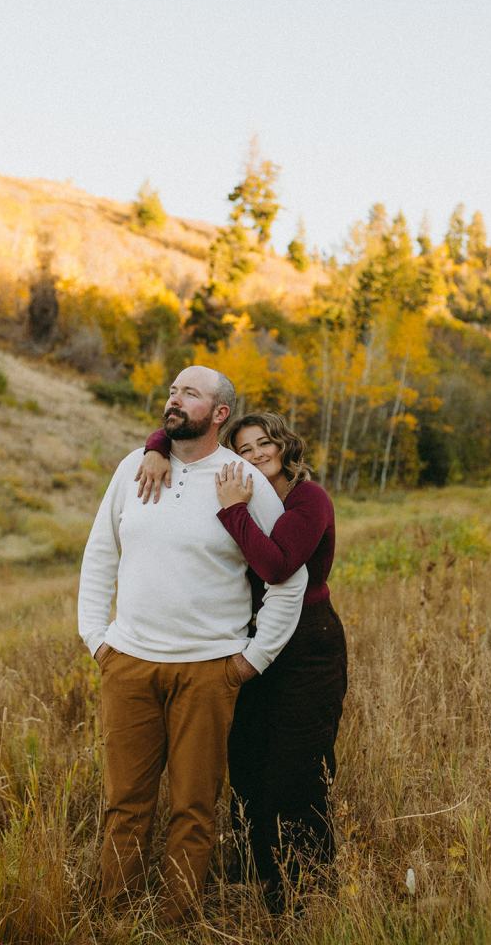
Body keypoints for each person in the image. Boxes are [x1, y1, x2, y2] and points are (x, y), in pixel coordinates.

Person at [78, 369, 307, 926]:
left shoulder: (240, 480)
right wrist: (97, 639)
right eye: (173, 391)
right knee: (125, 805)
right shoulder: (135, 467)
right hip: (128, 664)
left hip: (207, 671)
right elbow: (100, 553)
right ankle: (119, 920)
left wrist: (249, 661)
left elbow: (288, 579)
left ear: (220, 413)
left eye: (191, 394)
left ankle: (178, 921)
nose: (174, 400)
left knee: (194, 809)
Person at [138, 411, 347, 910]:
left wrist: (233, 512)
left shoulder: (306, 500)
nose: (255, 455)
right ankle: (260, 875)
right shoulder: (251, 494)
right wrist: (154, 446)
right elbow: (180, 429)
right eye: (244, 448)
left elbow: (276, 565)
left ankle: (306, 888)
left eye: (263, 444)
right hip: (248, 642)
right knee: (249, 766)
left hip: (308, 648)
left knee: (295, 770)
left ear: (283, 445)